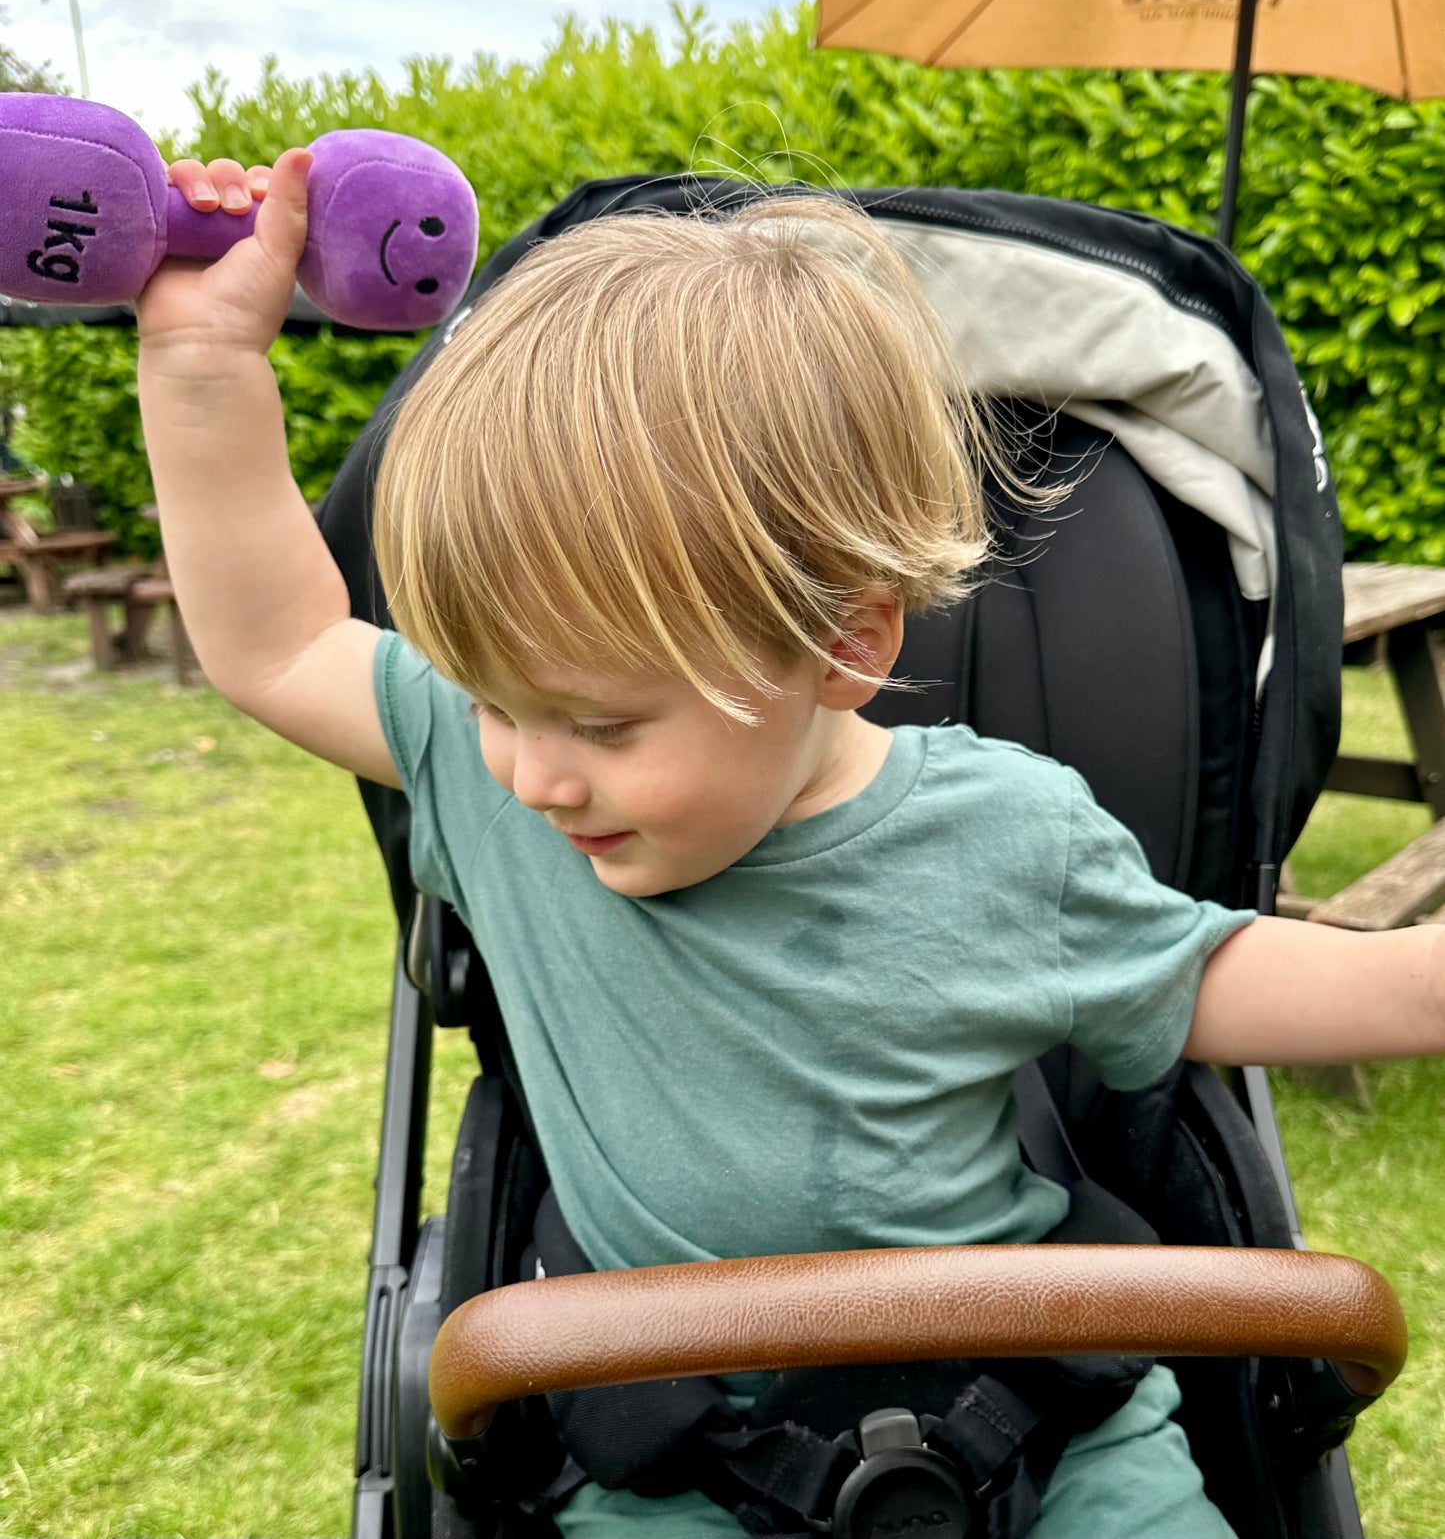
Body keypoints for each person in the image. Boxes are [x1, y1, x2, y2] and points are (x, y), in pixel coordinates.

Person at [138, 149, 1444, 1539]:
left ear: (843, 641)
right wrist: (207, 359)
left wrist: (1419, 984)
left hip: (1042, 1422)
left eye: (596, 721)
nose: (531, 775)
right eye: (491, 703)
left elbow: (1213, 979)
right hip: (672, 1439)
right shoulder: (488, 765)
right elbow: (277, 640)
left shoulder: (1002, 835)